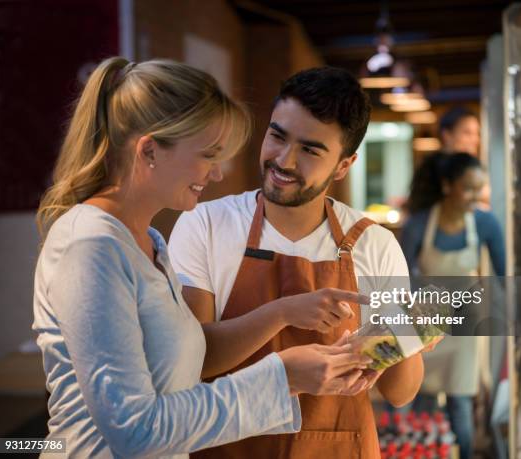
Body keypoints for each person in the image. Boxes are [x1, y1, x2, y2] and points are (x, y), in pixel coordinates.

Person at [32, 57, 375, 459]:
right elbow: (136, 430)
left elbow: (185, 367)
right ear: (150, 151)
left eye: (310, 150)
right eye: (208, 154)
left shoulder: (150, 243)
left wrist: (285, 317)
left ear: (344, 166)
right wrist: (281, 377)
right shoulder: (91, 247)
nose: (217, 173)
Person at [168, 66, 427, 459]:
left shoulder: (375, 244)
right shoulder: (204, 224)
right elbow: (193, 364)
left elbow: (401, 393)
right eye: (277, 136)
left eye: (310, 149)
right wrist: (284, 312)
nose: (284, 161)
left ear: (344, 164)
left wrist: (407, 331)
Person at [399, 152, 505, 459]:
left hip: (466, 325)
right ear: (447, 185)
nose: (476, 196)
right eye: (469, 188)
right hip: (426, 321)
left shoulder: (485, 223)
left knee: (460, 400)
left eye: (480, 188)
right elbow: (401, 277)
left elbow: (502, 272)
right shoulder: (420, 224)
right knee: (421, 396)